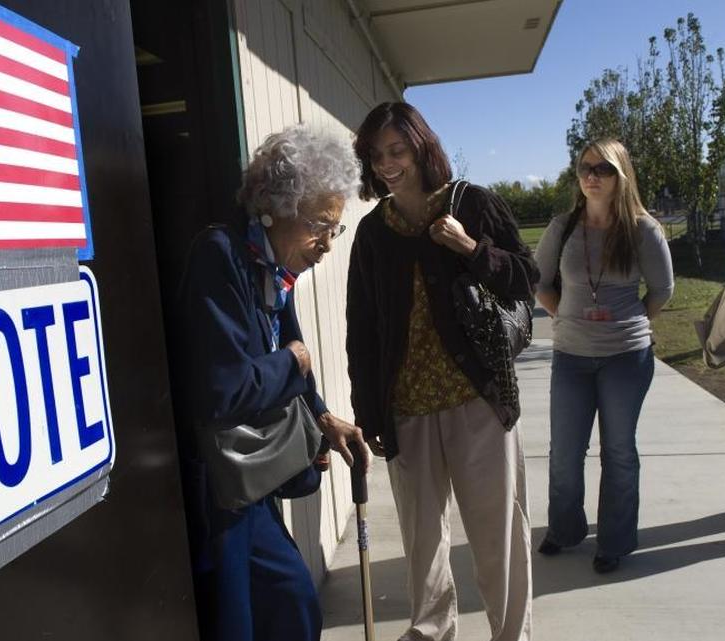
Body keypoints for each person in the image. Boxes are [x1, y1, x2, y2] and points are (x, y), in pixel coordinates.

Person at [347, 101, 538, 641]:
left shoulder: (472, 204)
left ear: (420, 147)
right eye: (377, 154)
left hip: (475, 399)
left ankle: (512, 634)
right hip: (406, 408)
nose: (387, 163)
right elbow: (361, 329)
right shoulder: (371, 233)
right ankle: (432, 632)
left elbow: (526, 278)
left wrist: (470, 247)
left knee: (497, 535)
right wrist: (369, 413)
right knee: (422, 544)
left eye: (397, 150)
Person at [175, 124, 371, 641]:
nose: (327, 244)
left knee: (290, 605)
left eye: (335, 229)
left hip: (251, 480)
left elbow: (294, 361)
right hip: (224, 485)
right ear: (277, 206)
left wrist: (325, 419)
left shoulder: (271, 268)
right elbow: (223, 388)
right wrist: (291, 360)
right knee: (256, 617)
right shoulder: (222, 256)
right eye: (320, 226)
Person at [533, 138, 673, 574]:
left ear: (621, 176)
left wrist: (627, 324)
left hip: (625, 358)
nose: (592, 175)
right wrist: (567, 316)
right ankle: (564, 528)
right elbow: (540, 282)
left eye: (603, 169)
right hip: (572, 355)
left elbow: (663, 289)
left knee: (618, 449)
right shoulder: (563, 226)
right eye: (585, 167)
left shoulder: (642, 229)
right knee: (564, 451)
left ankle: (613, 540)